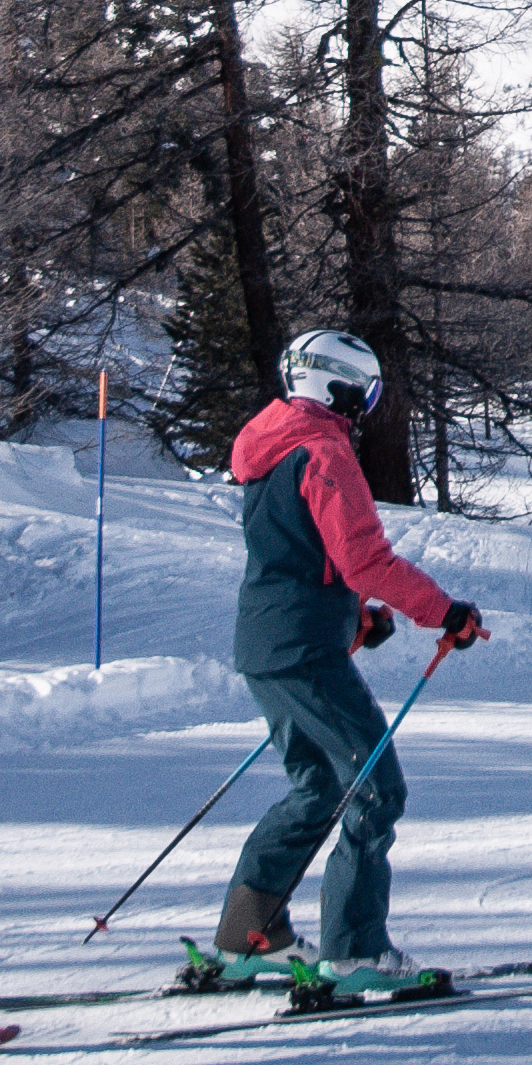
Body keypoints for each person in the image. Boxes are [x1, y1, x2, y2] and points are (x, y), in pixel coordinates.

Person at [202, 329, 487, 997]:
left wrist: (353, 618)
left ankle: (250, 937)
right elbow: (365, 560)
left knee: (317, 790)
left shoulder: (269, 447)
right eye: (366, 392)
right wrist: (444, 612)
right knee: (375, 788)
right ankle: (353, 951)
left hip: (268, 643)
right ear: (340, 387)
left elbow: (301, 555)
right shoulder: (325, 452)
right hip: (301, 649)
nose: (366, 407)